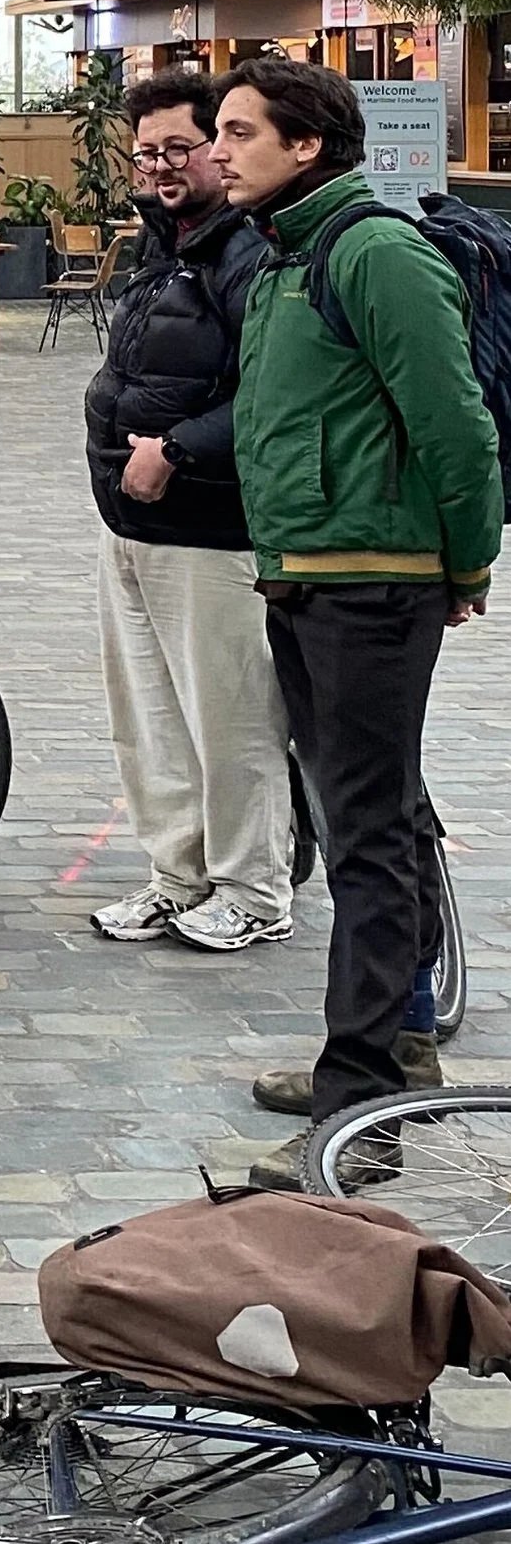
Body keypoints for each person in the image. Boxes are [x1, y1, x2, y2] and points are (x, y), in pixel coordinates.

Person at [210, 59, 500, 1188]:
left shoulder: (372, 252)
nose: (218, 149)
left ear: (307, 146)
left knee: (366, 833)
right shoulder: (285, 253)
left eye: (240, 132)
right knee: (370, 815)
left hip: (371, 579)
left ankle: (358, 1106)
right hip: (309, 572)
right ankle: (396, 1041)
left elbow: (455, 422)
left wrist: (464, 556)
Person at [82, 69, 289, 955]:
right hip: (131, 524)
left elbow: (275, 389)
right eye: (146, 153)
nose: (161, 167)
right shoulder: (166, 243)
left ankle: (252, 885)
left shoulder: (253, 250)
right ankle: (178, 874)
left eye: (180, 147)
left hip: (212, 525)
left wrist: (178, 449)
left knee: (232, 713)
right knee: (151, 714)